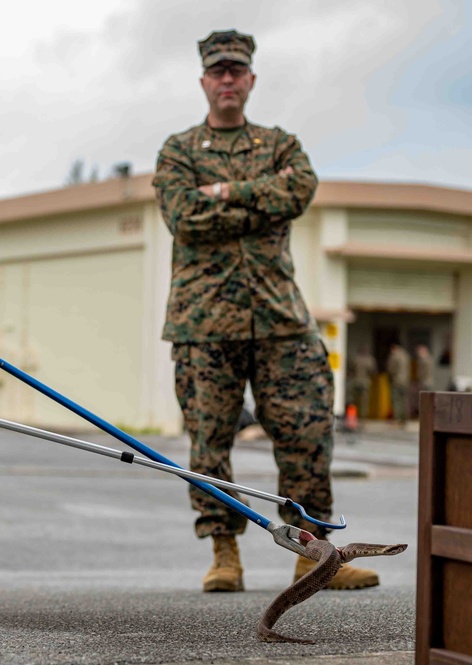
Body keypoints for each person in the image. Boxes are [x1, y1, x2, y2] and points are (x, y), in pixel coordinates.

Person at [153, 29, 378, 594]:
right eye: (218, 70)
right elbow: (184, 218)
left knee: (306, 435)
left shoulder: (282, 144)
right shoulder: (178, 151)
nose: (227, 79)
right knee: (208, 443)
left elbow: (298, 191)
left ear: (250, 80)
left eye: (237, 70)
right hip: (203, 323)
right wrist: (258, 196)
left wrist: (224, 193)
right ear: (204, 81)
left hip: (281, 319)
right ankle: (224, 553)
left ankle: (315, 557)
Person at [347, 345, 377, 420]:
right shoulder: (370, 360)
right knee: (364, 401)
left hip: (356, 381)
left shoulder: (355, 359)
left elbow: (351, 369)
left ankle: (353, 416)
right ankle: (363, 417)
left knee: (354, 400)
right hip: (365, 382)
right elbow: (373, 371)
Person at [387, 343, 412, 426]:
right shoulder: (406, 355)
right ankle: (404, 418)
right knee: (404, 400)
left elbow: (391, 369)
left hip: (396, 381)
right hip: (405, 381)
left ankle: (397, 419)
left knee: (396, 401)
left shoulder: (394, 356)